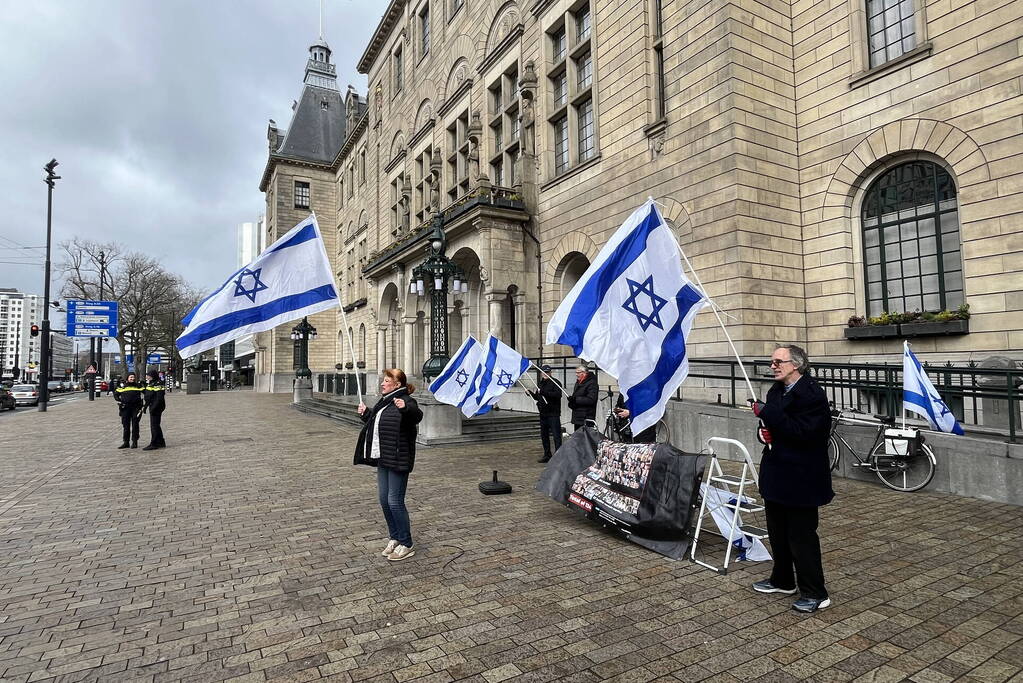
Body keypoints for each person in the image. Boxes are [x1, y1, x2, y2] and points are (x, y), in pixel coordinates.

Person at [750, 344, 834, 613]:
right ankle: (783, 579)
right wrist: (762, 432)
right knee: (777, 532)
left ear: (796, 364)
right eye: (772, 362)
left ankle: (815, 592)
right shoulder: (776, 390)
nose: (772, 366)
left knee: (801, 536)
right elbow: (772, 425)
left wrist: (766, 413)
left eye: (778, 361)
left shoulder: (812, 394)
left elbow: (804, 432)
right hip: (777, 474)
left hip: (801, 478)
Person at [354, 369, 424, 562]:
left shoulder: (406, 400)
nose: (382, 383)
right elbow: (378, 425)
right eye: (383, 380)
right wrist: (366, 414)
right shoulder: (384, 403)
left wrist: (405, 408)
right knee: (384, 500)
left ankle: (407, 543)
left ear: (397, 384)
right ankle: (395, 538)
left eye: (386, 381)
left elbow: (416, 415)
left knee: (395, 501)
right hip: (383, 458)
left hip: (398, 459)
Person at [527, 364, 563, 463]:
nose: (545, 374)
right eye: (544, 372)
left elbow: (558, 395)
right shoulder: (541, 383)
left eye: (547, 372)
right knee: (544, 435)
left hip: (553, 414)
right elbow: (538, 397)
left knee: (556, 436)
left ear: (550, 373)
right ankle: (547, 454)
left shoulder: (555, 382)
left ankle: (558, 456)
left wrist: (544, 392)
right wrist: (530, 393)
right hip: (543, 414)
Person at [114, 372, 145, 449]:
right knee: (126, 425)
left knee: (135, 425)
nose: (132, 379)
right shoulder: (123, 386)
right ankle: (126, 442)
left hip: (136, 408)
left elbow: (146, 393)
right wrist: (120, 401)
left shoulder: (138, 386)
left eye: (133, 377)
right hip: (125, 408)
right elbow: (116, 394)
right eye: (131, 377)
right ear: (127, 378)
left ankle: (134, 441)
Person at [567, 365, 598, 431]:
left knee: (585, 436)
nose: (576, 374)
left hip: (586, 416)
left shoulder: (592, 383)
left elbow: (591, 399)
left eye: (578, 373)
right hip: (578, 416)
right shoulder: (578, 382)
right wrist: (572, 402)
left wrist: (576, 399)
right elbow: (576, 396)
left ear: (584, 373)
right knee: (577, 435)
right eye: (576, 372)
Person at [142, 369, 167, 451]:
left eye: (148, 376)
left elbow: (159, 398)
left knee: (154, 426)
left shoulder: (158, 384)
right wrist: (145, 407)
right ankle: (161, 441)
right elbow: (148, 396)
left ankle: (154, 443)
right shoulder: (150, 383)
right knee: (156, 425)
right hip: (152, 405)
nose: (147, 377)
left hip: (157, 407)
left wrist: (154, 407)